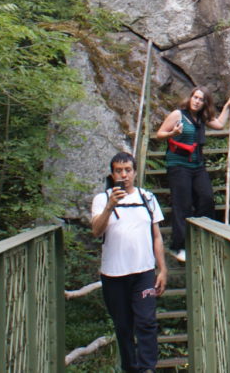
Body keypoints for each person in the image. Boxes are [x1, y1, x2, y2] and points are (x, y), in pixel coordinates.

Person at [91, 152, 167, 373]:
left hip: (143, 272)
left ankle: (147, 369)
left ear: (134, 172)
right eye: (118, 171)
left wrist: (162, 269)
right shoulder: (102, 199)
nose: (124, 175)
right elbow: (96, 231)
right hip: (114, 275)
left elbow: (157, 236)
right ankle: (130, 368)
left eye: (127, 170)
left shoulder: (148, 198)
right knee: (123, 327)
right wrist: (110, 206)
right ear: (112, 174)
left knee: (147, 322)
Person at [154, 87, 230, 264]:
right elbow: (160, 134)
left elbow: (220, 124)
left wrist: (228, 106)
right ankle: (179, 246)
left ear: (204, 103)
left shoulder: (201, 118)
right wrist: (172, 133)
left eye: (201, 99)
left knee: (206, 198)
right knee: (182, 204)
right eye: (195, 97)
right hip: (178, 165)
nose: (197, 101)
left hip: (196, 165)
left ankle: (200, 237)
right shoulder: (178, 114)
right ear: (190, 98)